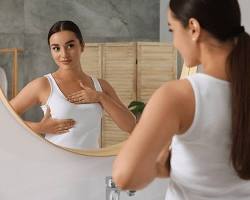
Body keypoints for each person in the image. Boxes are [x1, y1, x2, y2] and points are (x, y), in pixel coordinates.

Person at [112, 0, 250, 199]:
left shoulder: (180, 96)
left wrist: (159, 166)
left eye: (172, 29)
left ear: (193, 28)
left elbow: (125, 177)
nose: (174, 42)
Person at [10, 20, 136, 149]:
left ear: (82, 46)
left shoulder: (101, 86)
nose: (64, 54)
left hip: (91, 164)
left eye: (70, 46)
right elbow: (3, 119)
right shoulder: (43, 85)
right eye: (56, 48)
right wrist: (39, 127)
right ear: (51, 51)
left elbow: (131, 126)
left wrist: (100, 97)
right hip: (54, 165)